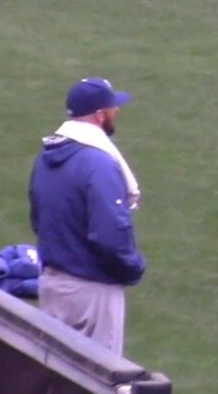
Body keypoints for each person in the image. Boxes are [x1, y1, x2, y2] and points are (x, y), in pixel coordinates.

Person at [29, 77, 146, 355]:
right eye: (114, 107)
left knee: (58, 376)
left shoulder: (47, 158)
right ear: (100, 115)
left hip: (53, 286)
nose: (117, 111)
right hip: (92, 293)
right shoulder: (98, 163)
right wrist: (134, 267)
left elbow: (38, 219)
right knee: (98, 379)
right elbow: (110, 236)